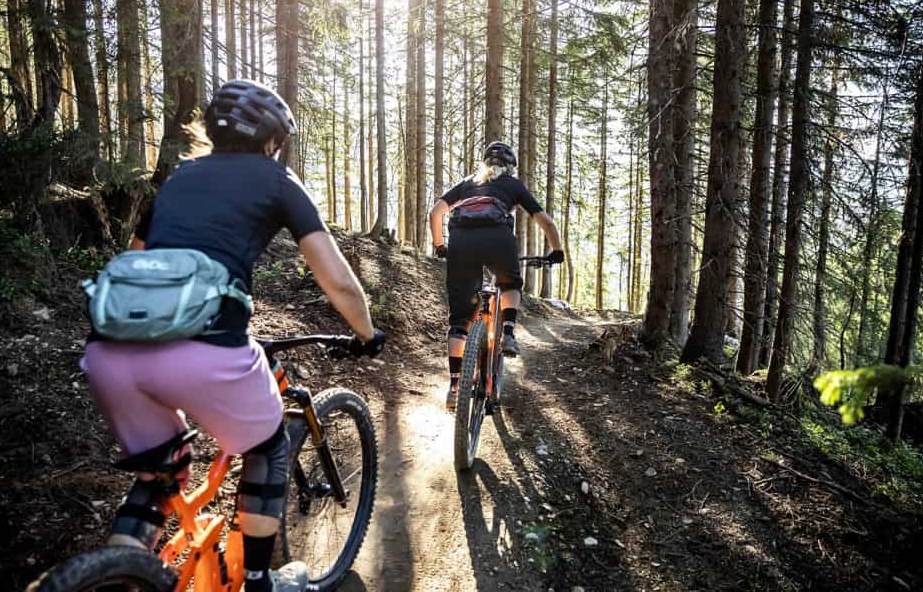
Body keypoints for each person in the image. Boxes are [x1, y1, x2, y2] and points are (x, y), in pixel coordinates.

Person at [81, 79, 385, 592]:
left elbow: (136, 256)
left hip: (109, 354)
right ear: (273, 139)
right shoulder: (277, 180)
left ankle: (117, 577)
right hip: (205, 348)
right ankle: (260, 582)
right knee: (268, 447)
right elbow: (335, 278)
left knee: (160, 472)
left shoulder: (178, 178)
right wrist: (368, 332)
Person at [428, 141, 564, 410]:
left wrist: (440, 245)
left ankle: (455, 386)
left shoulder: (468, 182)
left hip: (461, 241)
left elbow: (435, 212)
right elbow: (545, 221)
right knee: (510, 282)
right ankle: (509, 332)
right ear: (509, 167)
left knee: (459, 321)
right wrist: (557, 250)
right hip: (498, 240)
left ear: (484, 163)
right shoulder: (512, 185)